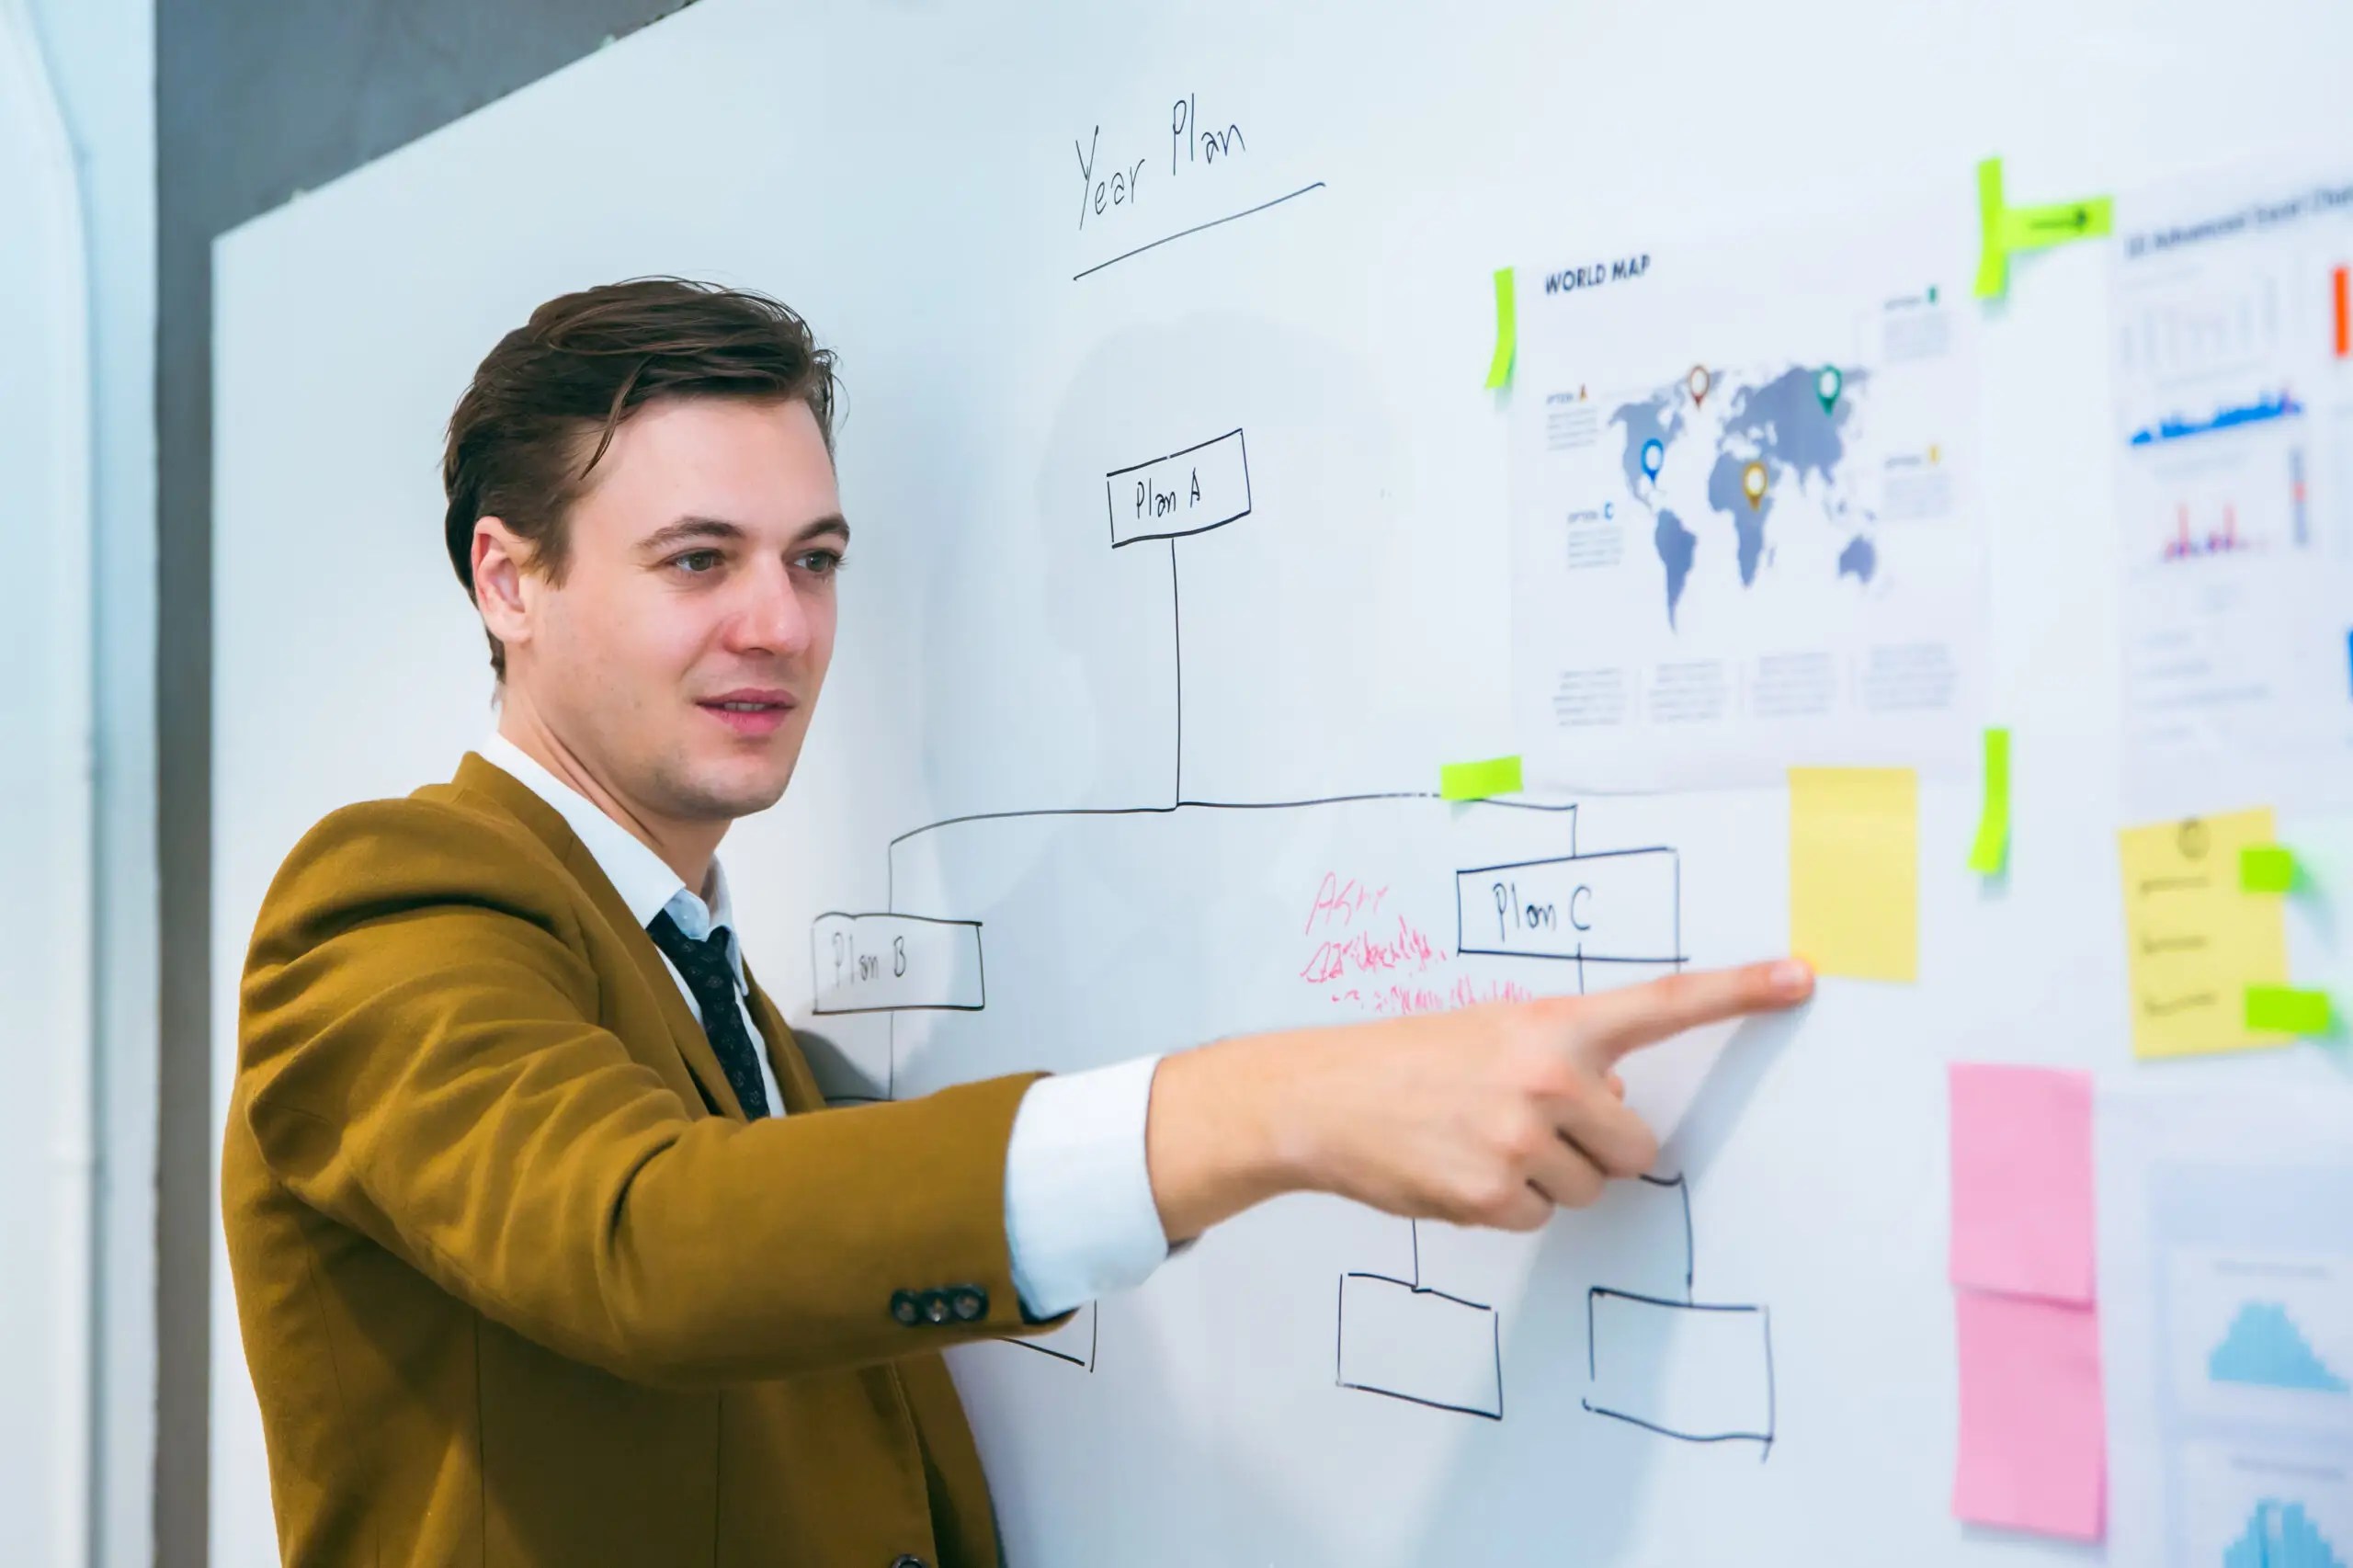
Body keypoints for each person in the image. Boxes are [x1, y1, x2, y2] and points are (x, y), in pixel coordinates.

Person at [222, 278, 1814, 1568]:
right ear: (509, 581)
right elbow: (645, 1240)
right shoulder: (387, 906)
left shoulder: (708, 975)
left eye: (814, 560)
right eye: (698, 560)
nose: (781, 623)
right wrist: (1278, 1106)